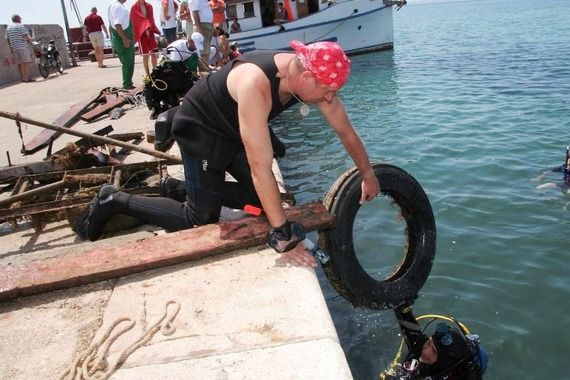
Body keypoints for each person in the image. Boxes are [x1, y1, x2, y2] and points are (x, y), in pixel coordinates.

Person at [73, 40, 380, 268]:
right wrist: (283, 236)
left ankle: (178, 188)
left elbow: (346, 132)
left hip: (234, 130)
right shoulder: (255, 84)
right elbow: (262, 168)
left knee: (266, 204)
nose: (330, 98)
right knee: (200, 219)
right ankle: (113, 199)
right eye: (328, 91)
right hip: (200, 130)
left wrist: (368, 176)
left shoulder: (312, 81)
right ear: (307, 76)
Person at [382, 304, 488, 380]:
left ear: (442, 361)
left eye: (433, 350)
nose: (425, 349)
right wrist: (402, 306)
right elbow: (411, 332)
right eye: (429, 342)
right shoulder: (426, 351)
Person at [108, 0, 135, 89]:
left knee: (129, 62)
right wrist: (125, 39)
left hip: (121, 38)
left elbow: (111, 26)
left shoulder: (114, 6)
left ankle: (128, 83)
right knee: (128, 63)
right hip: (124, 38)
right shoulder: (118, 7)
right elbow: (117, 24)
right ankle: (127, 85)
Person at [130, 0, 161, 76]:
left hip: (150, 31)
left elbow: (151, 19)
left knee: (153, 53)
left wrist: (148, 28)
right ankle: (147, 74)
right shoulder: (134, 7)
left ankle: (155, 72)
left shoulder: (149, 6)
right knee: (145, 55)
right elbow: (134, 21)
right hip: (141, 33)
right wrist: (143, 29)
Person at [5, 14, 34, 82]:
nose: (21, 19)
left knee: (20, 63)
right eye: (20, 18)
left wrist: (11, 48)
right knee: (26, 62)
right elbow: (25, 36)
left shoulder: (8, 27)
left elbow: (8, 39)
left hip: (14, 48)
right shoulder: (20, 26)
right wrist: (31, 41)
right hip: (22, 47)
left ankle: (23, 78)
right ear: (18, 19)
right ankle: (26, 78)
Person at [189, 0, 214, 66]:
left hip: (206, 26)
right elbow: (195, 13)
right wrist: (201, 31)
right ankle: (204, 72)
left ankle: (206, 69)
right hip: (202, 26)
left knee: (206, 52)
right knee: (203, 53)